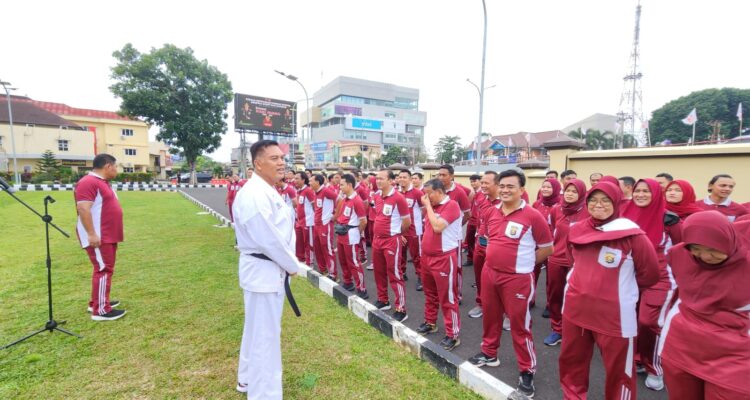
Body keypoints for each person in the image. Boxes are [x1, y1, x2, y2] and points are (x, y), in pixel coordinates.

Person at [558, 182, 659, 400]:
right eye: (593, 200)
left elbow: (649, 275)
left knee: (619, 372)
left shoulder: (633, 236)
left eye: (605, 200)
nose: (598, 205)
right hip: (575, 310)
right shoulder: (577, 230)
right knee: (571, 363)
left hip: (615, 318)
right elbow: (571, 260)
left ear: (616, 202)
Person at [469, 170, 553, 398]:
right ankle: (489, 352)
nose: (506, 190)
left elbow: (547, 247)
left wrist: (524, 263)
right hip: (490, 274)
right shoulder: (491, 211)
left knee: (519, 324)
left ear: (522, 190)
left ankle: (527, 369)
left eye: (511, 187)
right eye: (503, 186)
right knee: (491, 317)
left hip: (517, 279)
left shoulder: (533, 215)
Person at [232, 140, 302, 399]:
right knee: (265, 339)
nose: (281, 162)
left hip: (269, 270)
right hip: (265, 271)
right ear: (258, 164)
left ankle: (247, 379)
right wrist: (292, 265)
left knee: (256, 331)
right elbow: (268, 238)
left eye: (282, 157)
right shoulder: (254, 193)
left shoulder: (267, 189)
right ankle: (264, 394)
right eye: (274, 158)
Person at [658, 211, 750, 399]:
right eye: (696, 248)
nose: (705, 256)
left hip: (735, 354)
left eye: (713, 249)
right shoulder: (680, 256)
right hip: (682, 346)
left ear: (727, 240)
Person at [622, 178, 682, 391]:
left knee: (649, 322)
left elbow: (682, 249)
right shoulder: (625, 214)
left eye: (646, 191)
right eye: (638, 191)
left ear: (657, 193)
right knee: (631, 320)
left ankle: (654, 367)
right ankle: (637, 357)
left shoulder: (670, 220)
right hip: (632, 277)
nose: (640, 195)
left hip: (661, 280)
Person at [75, 153, 126, 321]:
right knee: (104, 269)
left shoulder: (101, 182)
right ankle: (101, 310)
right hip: (98, 235)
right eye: (115, 166)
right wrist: (91, 234)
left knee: (103, 268)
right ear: (107, 166)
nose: (116, 170)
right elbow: (83, 208)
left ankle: (96, 302)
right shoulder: (88, 182)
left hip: (107, 234)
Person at [416, 179, 463, 351]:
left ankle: (453, 334)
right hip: (427, 257)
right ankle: (430, 322)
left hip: (443, 258)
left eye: (428, 194)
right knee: (430, 293)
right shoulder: (433, 206)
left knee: (447, 297)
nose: (425, 198)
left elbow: (437, 227)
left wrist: (427, 206)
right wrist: (429, 206)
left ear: (439, 191)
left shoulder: (451, 206)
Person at [543, 178, 588, 346]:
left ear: (582, 193)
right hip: (556, 259)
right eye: (568, 191)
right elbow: (553, 231)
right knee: (555, 295)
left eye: (574, 191)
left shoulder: (588, 210)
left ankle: (576, 330)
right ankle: (557, 329)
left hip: (579, 262)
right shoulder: (556, 210)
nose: (570, 194)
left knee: (577, 297)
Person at [371, 169, 411, 322]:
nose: (378, 181)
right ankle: (383, 299)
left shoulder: (398, 198)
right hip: (377, 240)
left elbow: (407, 221)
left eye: (381, 178)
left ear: (390, 181)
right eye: (377, 178)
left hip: (391, 241)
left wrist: (396, 233)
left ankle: (401, 308)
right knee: (378, 271)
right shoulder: (377, 196)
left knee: (395, 273)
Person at [468, 170, 501, 319]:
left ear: (497, 185)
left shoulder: (504, 203)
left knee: (498, 280)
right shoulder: (482, 200)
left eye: (486, 183)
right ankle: (481, 303)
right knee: (479, 277)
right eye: (482, 183)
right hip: (480, 245)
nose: (483, 186)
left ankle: (505, 312)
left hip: (497, 249)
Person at [335, 174, 368, 298]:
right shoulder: (345, 199)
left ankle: (362, 288)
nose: (340, 187)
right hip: (342, 234)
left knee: (354, 262)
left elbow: (363, 221)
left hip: (351, 234)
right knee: (343, 261)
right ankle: (348, 282)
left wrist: (356, 233)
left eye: (342, 185)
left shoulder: (357, 200)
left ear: (349, 185)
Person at [531, 178, 562, 308]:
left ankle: (550, 304)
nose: (545, 189)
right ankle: (530, 299)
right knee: (532, 273)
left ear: (555, 189)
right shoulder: (536, 204)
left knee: (552, 278)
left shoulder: (561, 205)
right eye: (543, 187)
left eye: (549, 187)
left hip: (552, 246)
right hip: (535, 244)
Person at [397, 169, 424, 290]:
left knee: (417, 256)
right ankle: (402, 273)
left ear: (410, 179)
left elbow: (424, 210)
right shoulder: (396, 193)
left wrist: (418, 222)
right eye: (400, 177)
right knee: (400, 254)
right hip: (400, 230)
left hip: (414, 231)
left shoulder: (417, 193)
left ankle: (421, 277)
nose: (402, 179)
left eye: (405, 177)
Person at [310, 174, 338, 278]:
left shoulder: (326, 191)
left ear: (318, 182)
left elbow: (339, 200)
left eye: (311, 181)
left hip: (325, 225)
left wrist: (335, 216)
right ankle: (323, 270)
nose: (310, 183)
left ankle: (333, 274)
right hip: (317, 225)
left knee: (327, 249)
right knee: (317, 249)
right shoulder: (315, 192)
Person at [294, 172, 316, 265]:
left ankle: (309, 262)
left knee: (308, 243)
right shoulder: (299, 191)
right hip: (300, 221)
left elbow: (314, 205)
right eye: (295, 179)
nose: (295, 181)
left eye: (297, 179)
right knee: (299, 241)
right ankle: (300, 259)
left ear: (303, 180)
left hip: (308, 221)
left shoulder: (308, 190)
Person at [354, 171, 371, 265]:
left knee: (361, 236)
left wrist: (361, 213)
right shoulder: (350, 188)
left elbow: (366, 202)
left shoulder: (360, 189)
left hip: (359, 216)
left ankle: (363, 255)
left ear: (356, 178)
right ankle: (357, 253)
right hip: (351, 216)